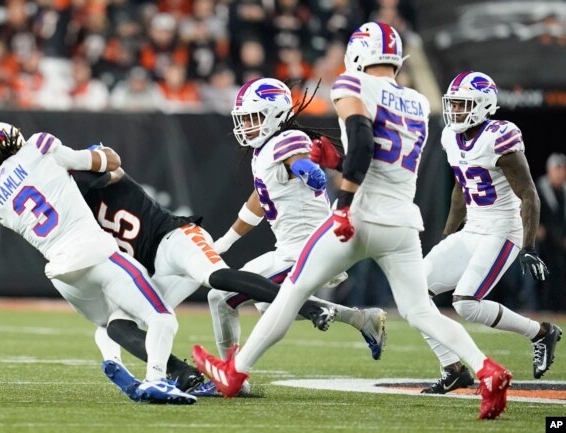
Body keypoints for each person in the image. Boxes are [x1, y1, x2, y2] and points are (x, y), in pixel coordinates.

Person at [192, 22, 512, 420]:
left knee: (291, 293)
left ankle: (235, 374)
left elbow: (360, 142)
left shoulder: (351, 85)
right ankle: (487, 369)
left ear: (358, 54)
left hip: (360, 214)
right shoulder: (415, 101)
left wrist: (342, 202)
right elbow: (378, 157)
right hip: (401, 219)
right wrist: (335, 161)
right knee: (420, 311)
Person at [71, 155, 344, 398]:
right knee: (117, 324)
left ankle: (311, 307)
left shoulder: (84, 177)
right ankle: (182, 374)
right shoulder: (73, 218)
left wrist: (87, 174)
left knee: (215, 277)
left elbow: (113, 162)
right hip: (156, 268)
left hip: (177, 237)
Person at [0, 122, 196, 405]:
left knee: (109, 322)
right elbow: (105, 164)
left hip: (62, 274)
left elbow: (10, 189)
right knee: (161, 317)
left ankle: (113, 360)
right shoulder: (40, 146)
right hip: (97, 253)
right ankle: (156, 380)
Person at [207, 77, 387, 395]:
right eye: (244, 119)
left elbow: (303, 165)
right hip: (290, 250)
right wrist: (226, 240)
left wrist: (310, 171)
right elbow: (260, 201)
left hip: (307, 251)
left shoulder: (287, 140)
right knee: (256, 304)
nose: (247, 125)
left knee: (222, 298)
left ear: (275, 113)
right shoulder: (264, 150)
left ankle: (232, 377)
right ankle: (362, 320)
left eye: (253, 117)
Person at [419, 72, 562, 394]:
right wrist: (447, 237)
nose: (455, 110)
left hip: (502, 228)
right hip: (474, 228)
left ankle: (541, 332)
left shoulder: (500, 136)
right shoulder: (450, 137)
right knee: (415, 293)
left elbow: (529, 195)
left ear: (484, 105)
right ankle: (453, 369)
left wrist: (528, 247)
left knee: (466, 303)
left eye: (463, 104)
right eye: (453, 103)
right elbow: (460, 188)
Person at [536, 153, 566, 311]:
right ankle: (543, 308)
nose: (560, 173)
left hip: (560, 240)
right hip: (544, 241)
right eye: (557, 169)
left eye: (562, 169)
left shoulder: (563, 191)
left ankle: (560, 308)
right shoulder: (540, 188)